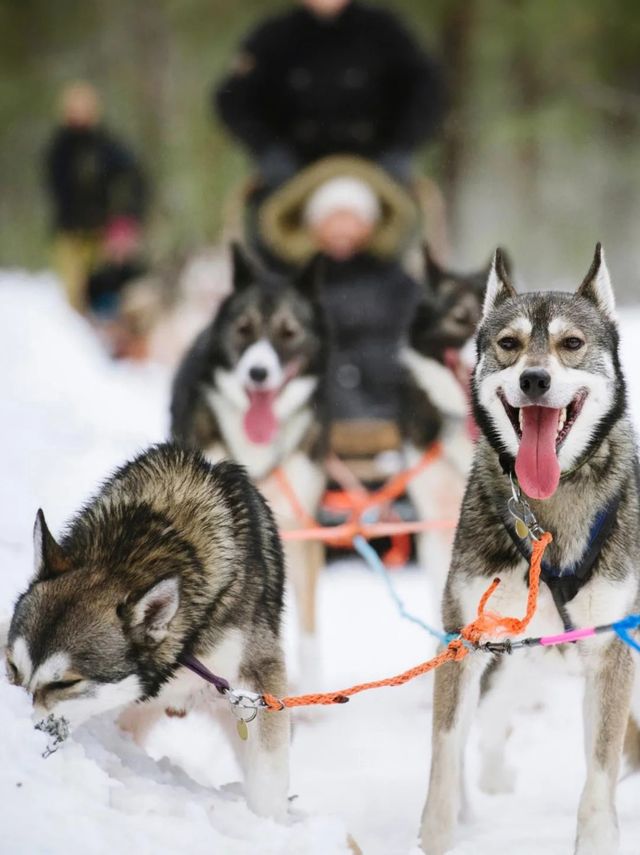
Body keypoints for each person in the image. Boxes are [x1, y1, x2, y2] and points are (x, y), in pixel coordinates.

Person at [215, 0, 445, 190]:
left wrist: (401, 148)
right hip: (293, 174)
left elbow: (427, 91)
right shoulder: (273, 36)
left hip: (373, 169)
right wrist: (268, 150)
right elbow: (233, 98)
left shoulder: (385, 31)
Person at [44, 82, 148, 312]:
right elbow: (57, 191)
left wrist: (127, 220)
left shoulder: (107, 146)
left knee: (112, 295)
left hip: (104, 233)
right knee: (74, 298)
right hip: (70, 234)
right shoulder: (58, 150)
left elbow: (135, 179)